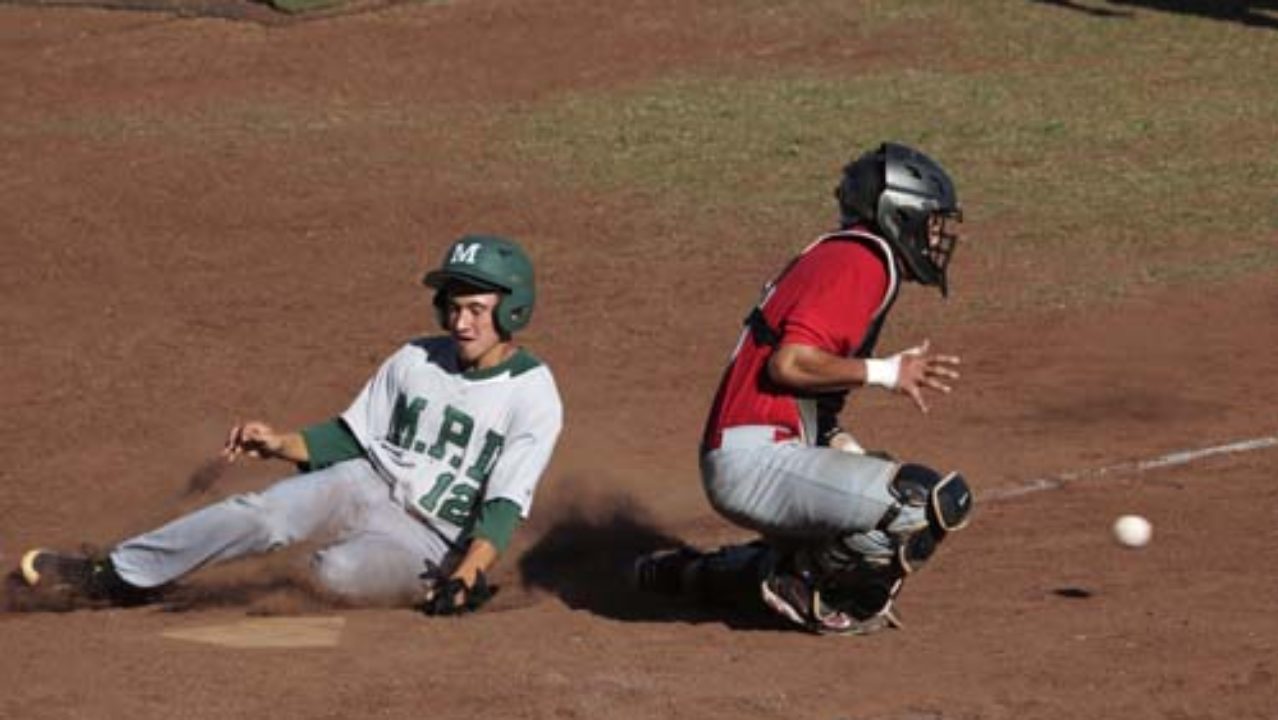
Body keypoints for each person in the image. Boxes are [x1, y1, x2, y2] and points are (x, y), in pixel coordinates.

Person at [17, 234, 563, 615]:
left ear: (511, 310)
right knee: (264, 513)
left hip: (432, 540)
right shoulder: (416, 359)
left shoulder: (532, 394)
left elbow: (503, 507)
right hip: (363, 482)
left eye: (474, 308)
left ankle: (202, 577)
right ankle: (116, 575)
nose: (459, 321)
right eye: (452, 307)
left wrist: (469, 573)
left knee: (334, 575)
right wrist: (279, 443)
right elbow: (351, 438)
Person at [635, 142, 974, 635]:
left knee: (876, 477)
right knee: (919, 502)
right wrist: (886, 373)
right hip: (756, 459)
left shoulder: (846, 255)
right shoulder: (863, 261)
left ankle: (699, 576)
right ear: (898, 212)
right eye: (931, 220)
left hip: (751, 454)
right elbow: (790, 365)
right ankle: (803, 585)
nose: (936, 234)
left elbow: (810, 403)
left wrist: (850, 454)